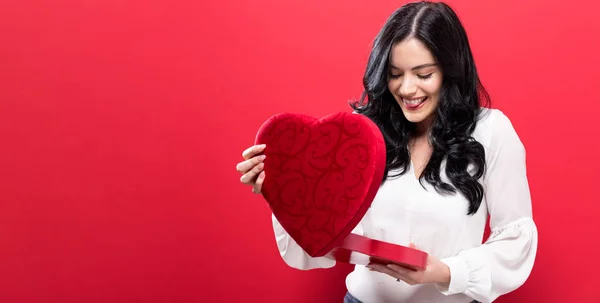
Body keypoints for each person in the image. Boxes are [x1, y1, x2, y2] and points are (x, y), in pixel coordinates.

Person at [235, 1, 538, 302]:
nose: (407, 89)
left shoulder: (491, 132)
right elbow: (312, 248)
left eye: (423, 74)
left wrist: (444, 271)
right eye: (395, 74)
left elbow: (516, 239)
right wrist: (283, 187)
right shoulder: (360, 134)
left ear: (451, 70)